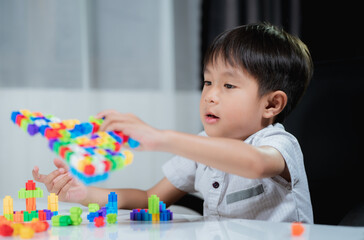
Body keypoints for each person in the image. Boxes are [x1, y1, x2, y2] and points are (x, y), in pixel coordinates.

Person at [33, 22, 313, 223]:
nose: (210, 96)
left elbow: (254, 164)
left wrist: (161, 137)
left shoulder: (278, 143)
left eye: (228, 85)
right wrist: (85, 193)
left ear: (272, 104)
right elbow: (148, 198)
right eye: (207, 82)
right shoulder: (203, 146)